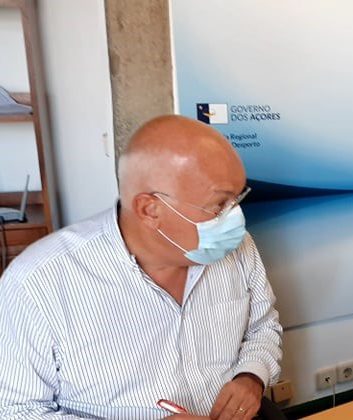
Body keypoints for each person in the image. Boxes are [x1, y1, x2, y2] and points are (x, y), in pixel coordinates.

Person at [0, 115, 282, 419]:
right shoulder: (37, 283)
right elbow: (17, 411)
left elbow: (263, 327)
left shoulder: (237, 249)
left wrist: (252, 376)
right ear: (150, 209)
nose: (235, 218)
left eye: (237, 199)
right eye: (219, 205)